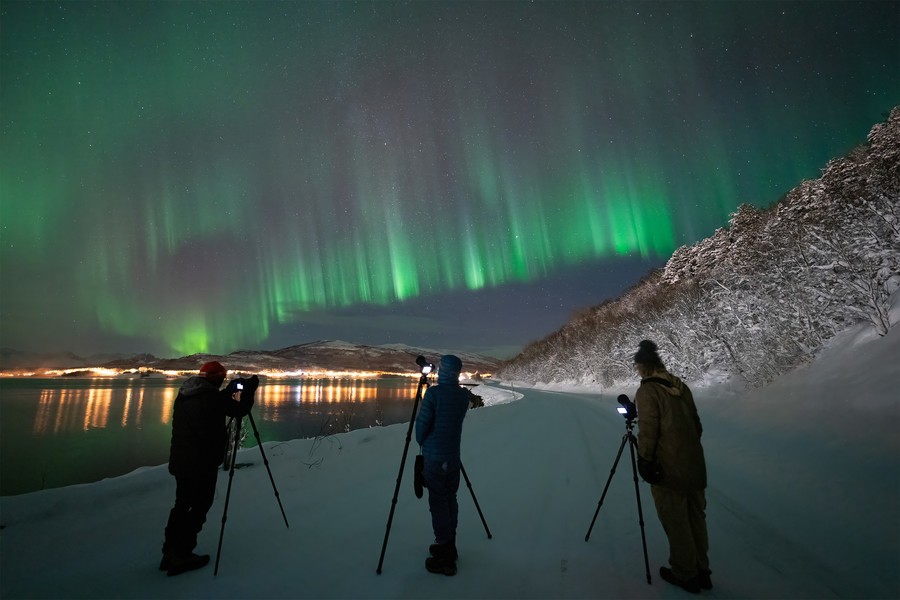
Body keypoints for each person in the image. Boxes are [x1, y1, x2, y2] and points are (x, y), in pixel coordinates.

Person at [160, 361, 257, 576]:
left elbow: (218, 404)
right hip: (200, 463)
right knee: (200, 505)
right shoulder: (211, 398)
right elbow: (238, 410)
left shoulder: (186, 393)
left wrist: (231, 391)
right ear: (218, 379)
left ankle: (170, 552)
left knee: (182, 504)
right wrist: (248, 389)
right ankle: (182, 554)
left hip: (181, 461)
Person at [633, 340, 711, 594]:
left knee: (675, 520)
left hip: (668, 469)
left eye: (637, 366)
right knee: (696, 517)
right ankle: (702, 570)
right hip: (694, 465)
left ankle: (684, 573)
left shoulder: (648, 391)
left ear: (643, 367)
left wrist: (644, 460)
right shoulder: (680, 385)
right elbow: (697, 425)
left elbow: (648, 432)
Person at [414, 354, 479, 576]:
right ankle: (450, 543)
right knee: (451, 498)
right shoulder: (461, 397)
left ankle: (445, 555)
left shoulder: (433, 394)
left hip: (434, 457)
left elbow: (422, 427)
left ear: (442, 371)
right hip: (453, 457)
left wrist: (420, 439)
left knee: (438, 502)